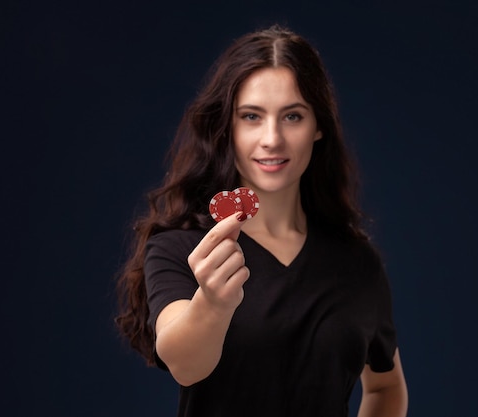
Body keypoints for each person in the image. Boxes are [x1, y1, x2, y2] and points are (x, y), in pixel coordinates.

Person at [116, 25, 408, 417]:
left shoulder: (358, 263)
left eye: (292, 116)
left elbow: (386, 386)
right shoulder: (180, 246)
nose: (272, 138)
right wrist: (214, 303)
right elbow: (184, 365)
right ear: (228, 128)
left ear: (318, 127)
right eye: (251, 116)